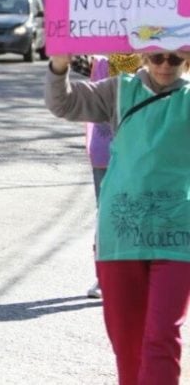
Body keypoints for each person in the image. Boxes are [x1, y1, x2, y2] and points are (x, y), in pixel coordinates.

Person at [45, 50, 190, 385]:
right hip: (121, 235)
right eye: (157, 57)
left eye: (174, 58)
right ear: (143, 54)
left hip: (178, 233)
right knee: (127, 344)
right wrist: (60, 65)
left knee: (162, 338)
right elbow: (63, 103)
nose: (165, 65)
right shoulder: (119, 90)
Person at [83, 53, 143, 299]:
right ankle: (103, 277)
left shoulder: (154, 64)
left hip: (140, 154)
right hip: (105, 153)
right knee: (106, 214)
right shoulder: (100, 64)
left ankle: (134, 275)